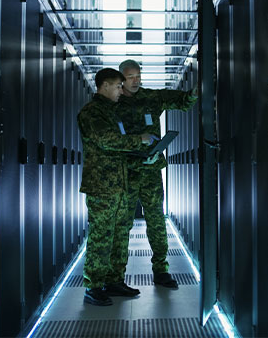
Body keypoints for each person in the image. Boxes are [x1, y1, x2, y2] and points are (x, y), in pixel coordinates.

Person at [77, 68, 157, 306]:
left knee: (120, 235)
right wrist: (140, 139)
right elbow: (107, 141)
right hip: (102, 187)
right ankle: (93, 285)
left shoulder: (112, 113)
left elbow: (119, 145)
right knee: (101, 237)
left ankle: (113, 280)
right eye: (117, 86)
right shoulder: (91, 113)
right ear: (104, 86)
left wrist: (144, 152)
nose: (121, 91)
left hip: (120, 185)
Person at [116, 59, 198, 289]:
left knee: (156, 220)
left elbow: (181, 101)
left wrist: (194, 93)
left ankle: (161, 270)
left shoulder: (151, 97)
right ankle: (116, 277)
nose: (136, 80)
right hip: (126, 172)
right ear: (121, 79)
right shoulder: (113, 102)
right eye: (131, 77)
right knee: (123, 223)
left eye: (138, 75)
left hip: (150, 171)